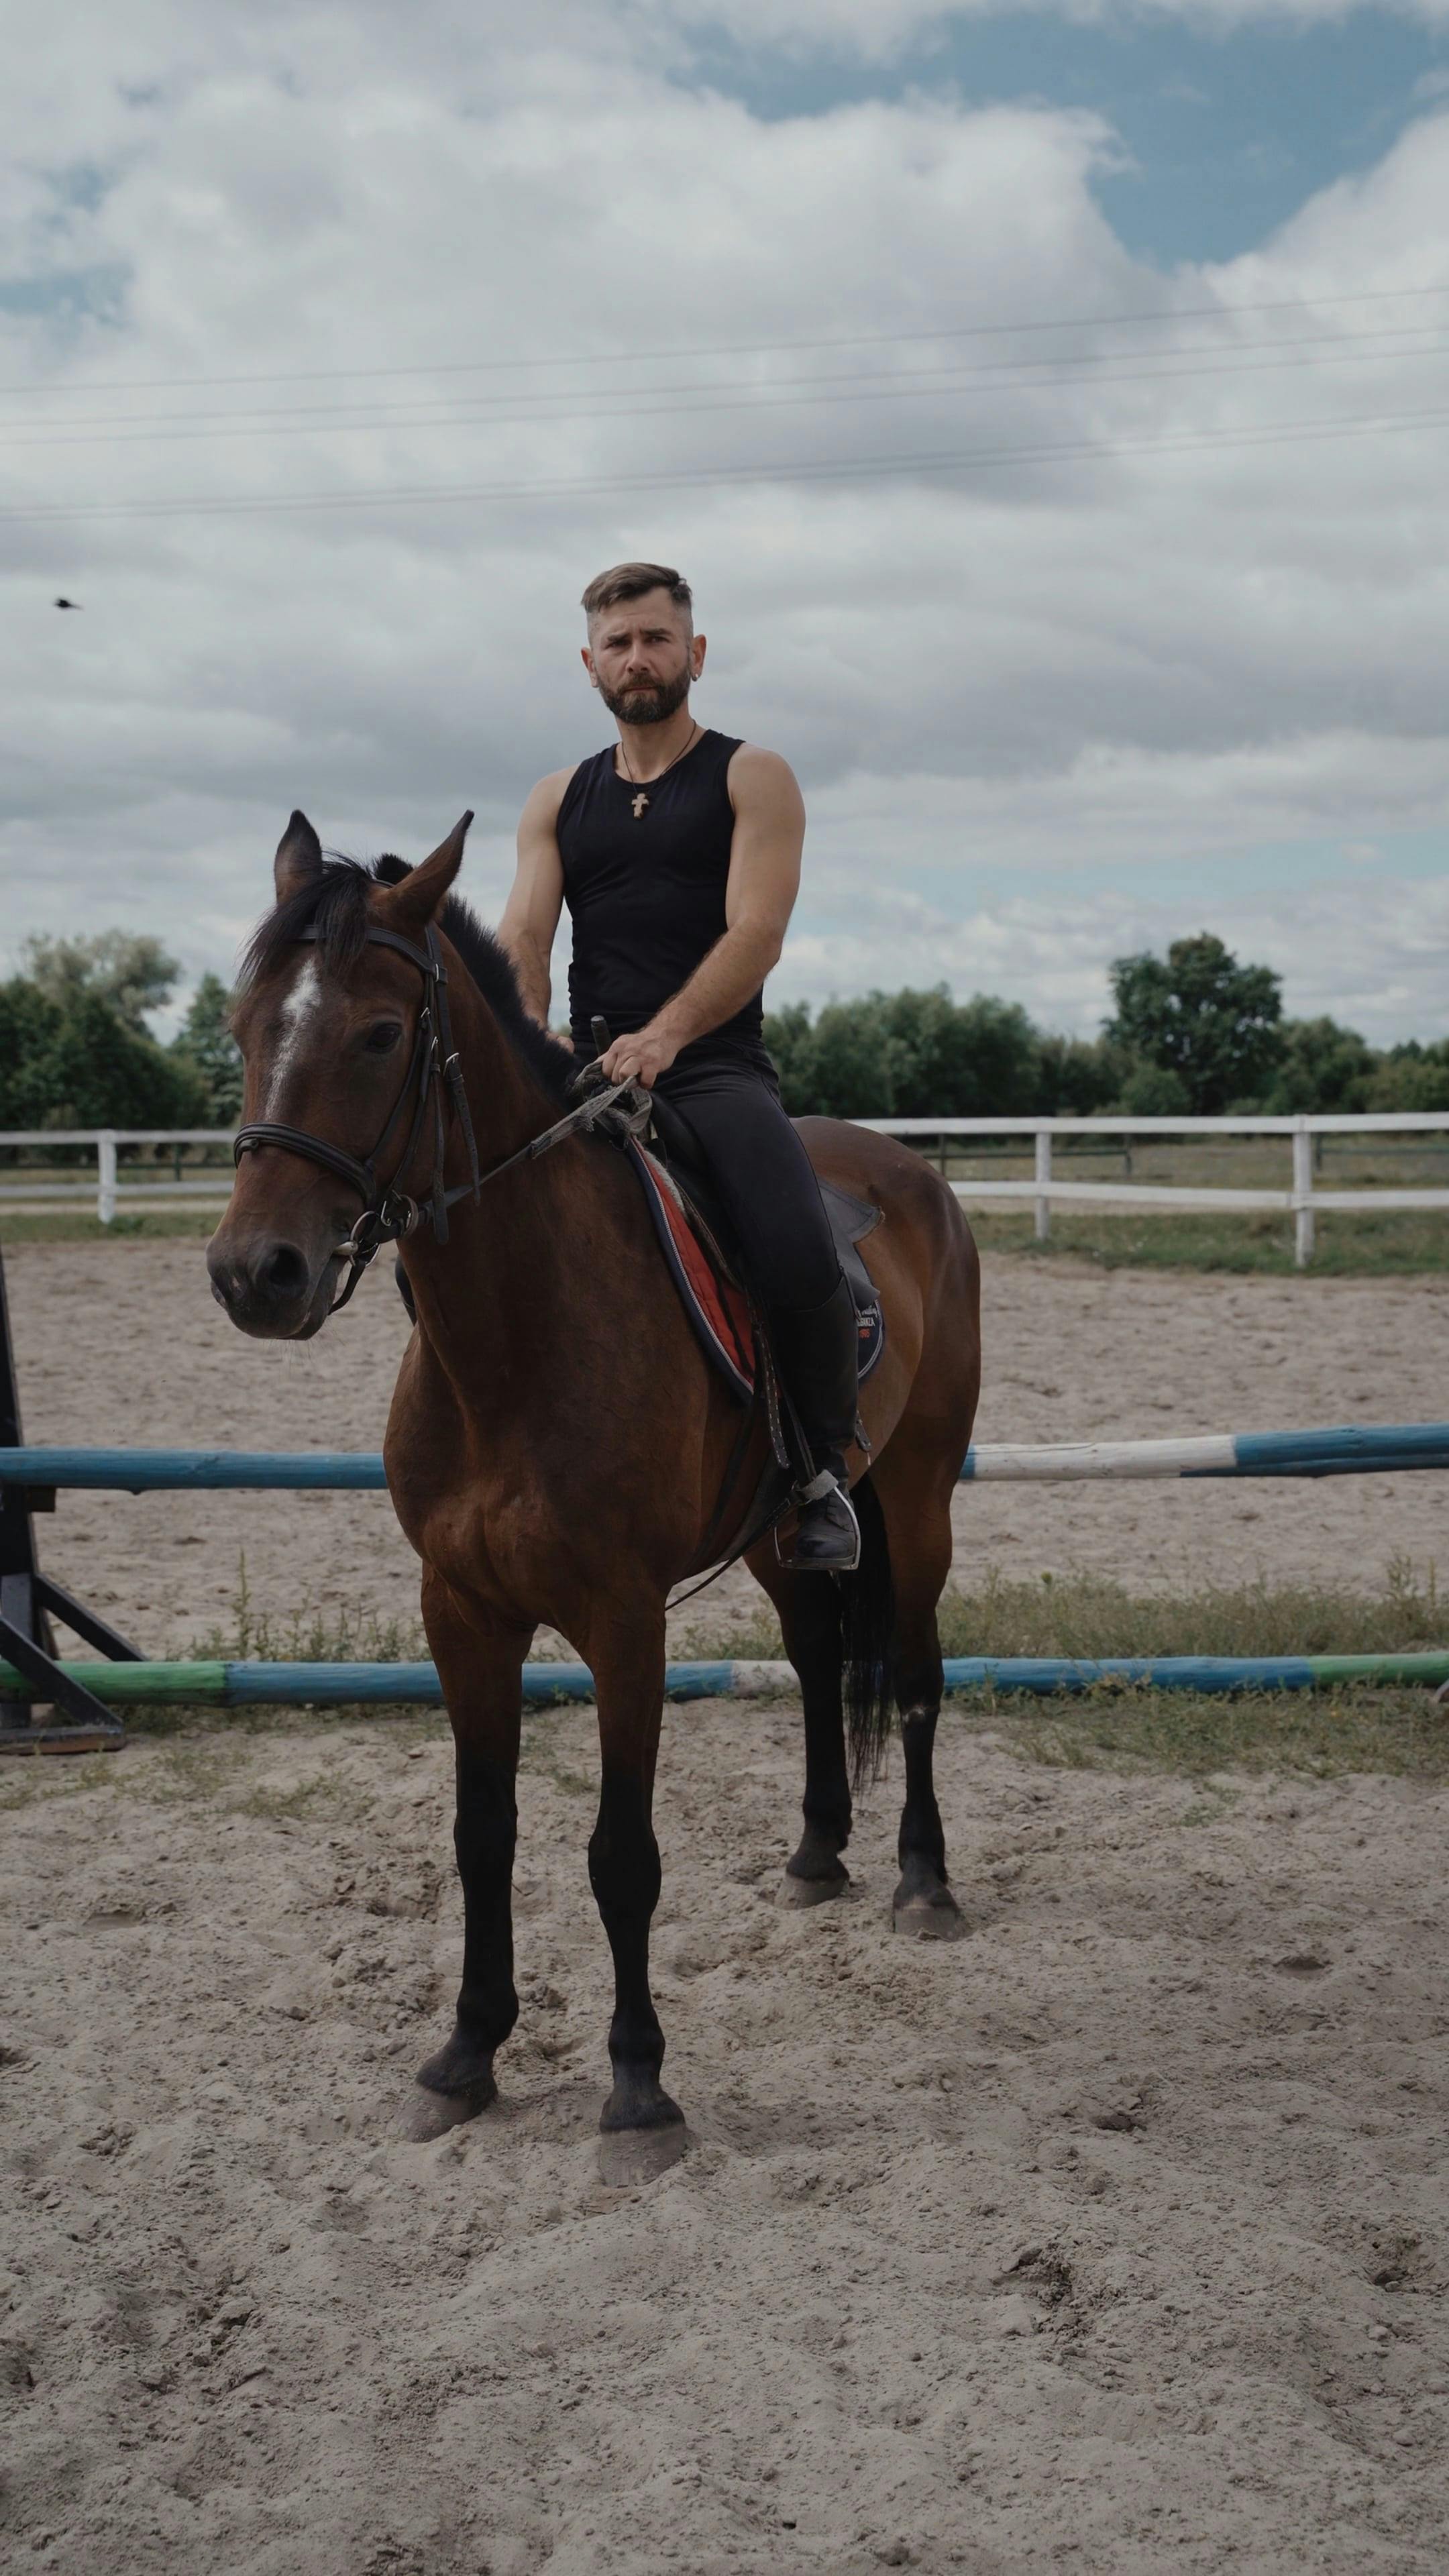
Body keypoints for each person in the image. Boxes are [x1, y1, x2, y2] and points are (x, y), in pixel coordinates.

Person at [498, 559, 861, 1569]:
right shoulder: (557, 798)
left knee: (795, 1248)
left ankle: (822, 1471)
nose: (638, 658)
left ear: (695, 653)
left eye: (658, 639)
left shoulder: (753, 775)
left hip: (710, 1068)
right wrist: (532, 1035)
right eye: (618, 643)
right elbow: (525, 934)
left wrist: (666, 1035)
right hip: (586, 1070)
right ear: (590, 665)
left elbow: (758, 931)